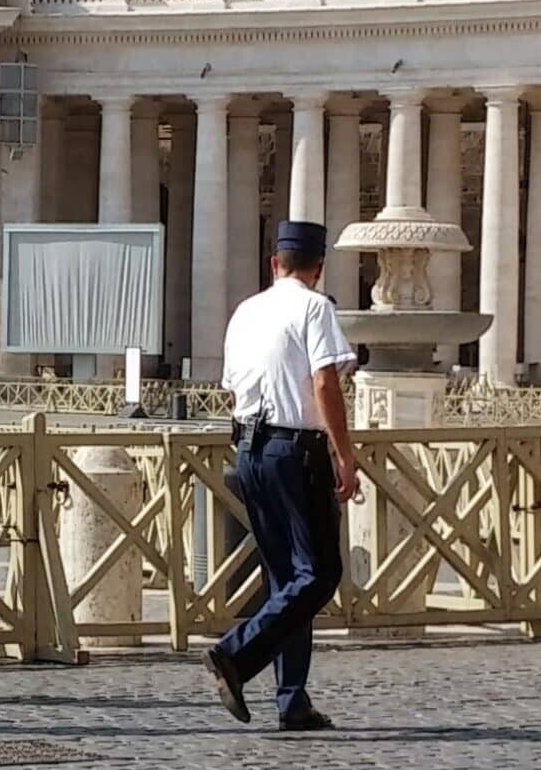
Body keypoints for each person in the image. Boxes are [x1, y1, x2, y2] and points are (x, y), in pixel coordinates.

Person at [205, 219, 359, 733]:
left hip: (248, 450)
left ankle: (292, 698)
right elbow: (324, 382)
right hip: (296, 452)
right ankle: (235, 654)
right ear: (318, 267)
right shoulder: (316, 307)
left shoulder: (246, 311)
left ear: (275, 264)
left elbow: (232, 390)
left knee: (285, 579)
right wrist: (345, 453)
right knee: (319, 573)